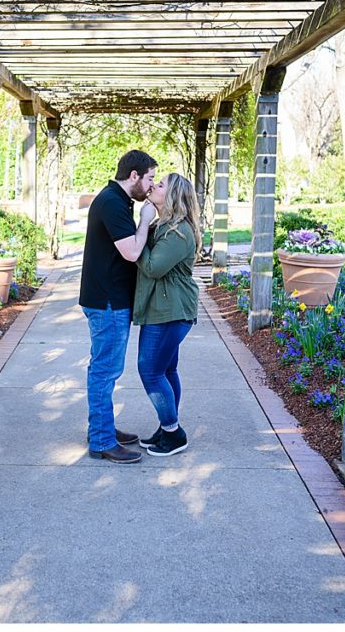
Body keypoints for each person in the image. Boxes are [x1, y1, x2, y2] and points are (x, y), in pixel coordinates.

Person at [79, 149, 158, 464]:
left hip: (107, 299)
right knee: (105, 370)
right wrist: (146, 220)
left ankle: (102, 427)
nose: (151, 186)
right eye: (150, 178)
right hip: (108, 303)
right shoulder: (112, 203)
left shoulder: (117, 199)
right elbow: (131, 252)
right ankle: (101, 441)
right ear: (135, 176)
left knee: (103, 368)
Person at [133, 173, 201, 457]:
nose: (154, 186)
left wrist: (141, 228)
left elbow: (152, 267)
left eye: (160, 185)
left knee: (150, 371)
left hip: (170, 312)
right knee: (167, 370)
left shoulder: (178, 233)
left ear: (172, 196)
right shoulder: (166, 226)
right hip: (165, 309)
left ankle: (173, 433)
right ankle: (167, 427)